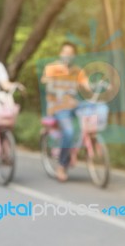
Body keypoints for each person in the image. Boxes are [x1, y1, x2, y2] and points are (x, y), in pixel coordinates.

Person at [41, 42, 91, 182]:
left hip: (72, 104)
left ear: (74, 56)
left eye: (70, 53)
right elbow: (47, 81)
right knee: (68, 132)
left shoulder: (77, 70)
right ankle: (62, 166)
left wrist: (99, 87)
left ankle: (82, 145)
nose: (67, 56)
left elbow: (86, 85)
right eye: (65, 52)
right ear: (60, 53)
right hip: (58, 106)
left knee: (91, 110)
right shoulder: (52, 68)